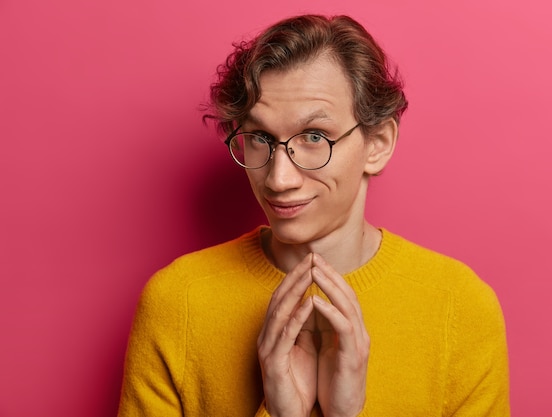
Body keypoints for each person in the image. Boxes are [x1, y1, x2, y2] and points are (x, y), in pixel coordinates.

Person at [117, 14, 510, 417]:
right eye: (260, 138)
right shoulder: (177, 301)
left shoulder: (459, 309)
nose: (279, 179)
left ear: (378, 144)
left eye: (314, 137)